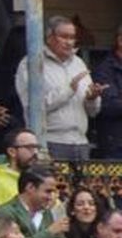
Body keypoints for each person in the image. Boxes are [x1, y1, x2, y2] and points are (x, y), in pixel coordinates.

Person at [17, 16, 103, 162]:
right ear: (49, 37)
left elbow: (93, 112)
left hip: (81, 143)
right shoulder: (31, 63)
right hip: (49, 142)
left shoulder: (79, 63)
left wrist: (92, 98)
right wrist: (68, 90)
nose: (69, 42)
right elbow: (33, 108)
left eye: (72, 37)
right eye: (64, 37)